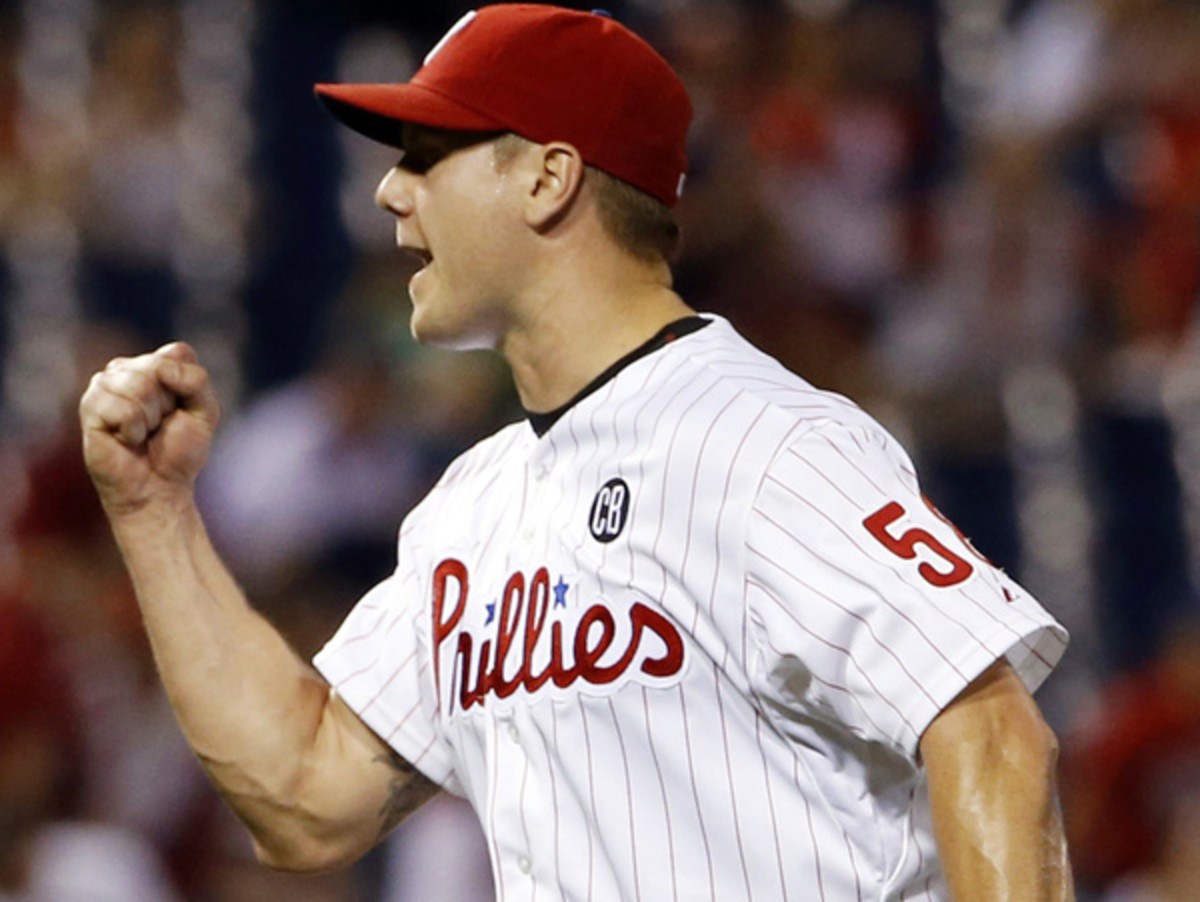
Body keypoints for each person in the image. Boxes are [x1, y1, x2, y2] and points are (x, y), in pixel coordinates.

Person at [79, 5, 1074, 899]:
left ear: (550, 177)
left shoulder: (766, 442)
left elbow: (992, 735)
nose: (389, 190)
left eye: (428, 152)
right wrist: (154, 516)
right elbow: (305, 794)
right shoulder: (470, 506)